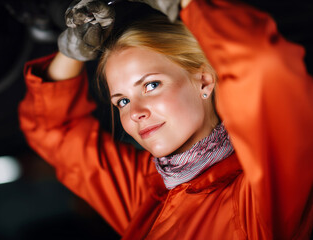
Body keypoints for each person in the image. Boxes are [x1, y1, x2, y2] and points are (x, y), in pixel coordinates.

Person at [18, 0, 313, 238]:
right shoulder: (146, 195)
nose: (134, 113)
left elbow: (264, 66)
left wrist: (185, 3)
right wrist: (73, 49)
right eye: (121, 101)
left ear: (204, 81)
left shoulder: (258, 200)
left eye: (151, 85)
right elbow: (55, 130)